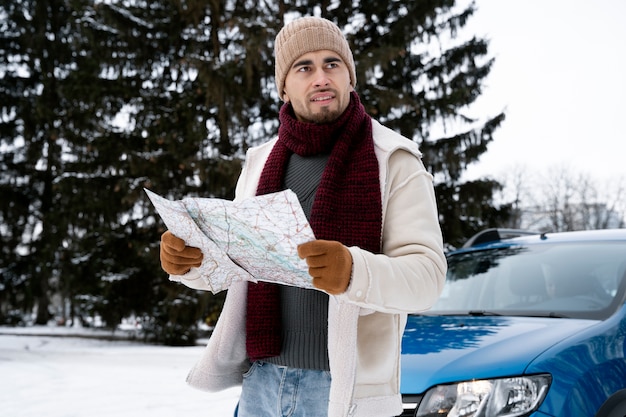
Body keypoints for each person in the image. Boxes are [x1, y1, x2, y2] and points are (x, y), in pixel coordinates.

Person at [159, 16, 447, 417]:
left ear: (350, 78)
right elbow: (241, 267)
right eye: (304, 67)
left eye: (332, 63)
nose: (320, 78)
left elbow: (428, 278)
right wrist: (192, 264)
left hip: (345, 391)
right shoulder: (259, 164)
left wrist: (353, 271)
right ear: (284, 86)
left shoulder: (393, 161)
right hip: (260, 381)